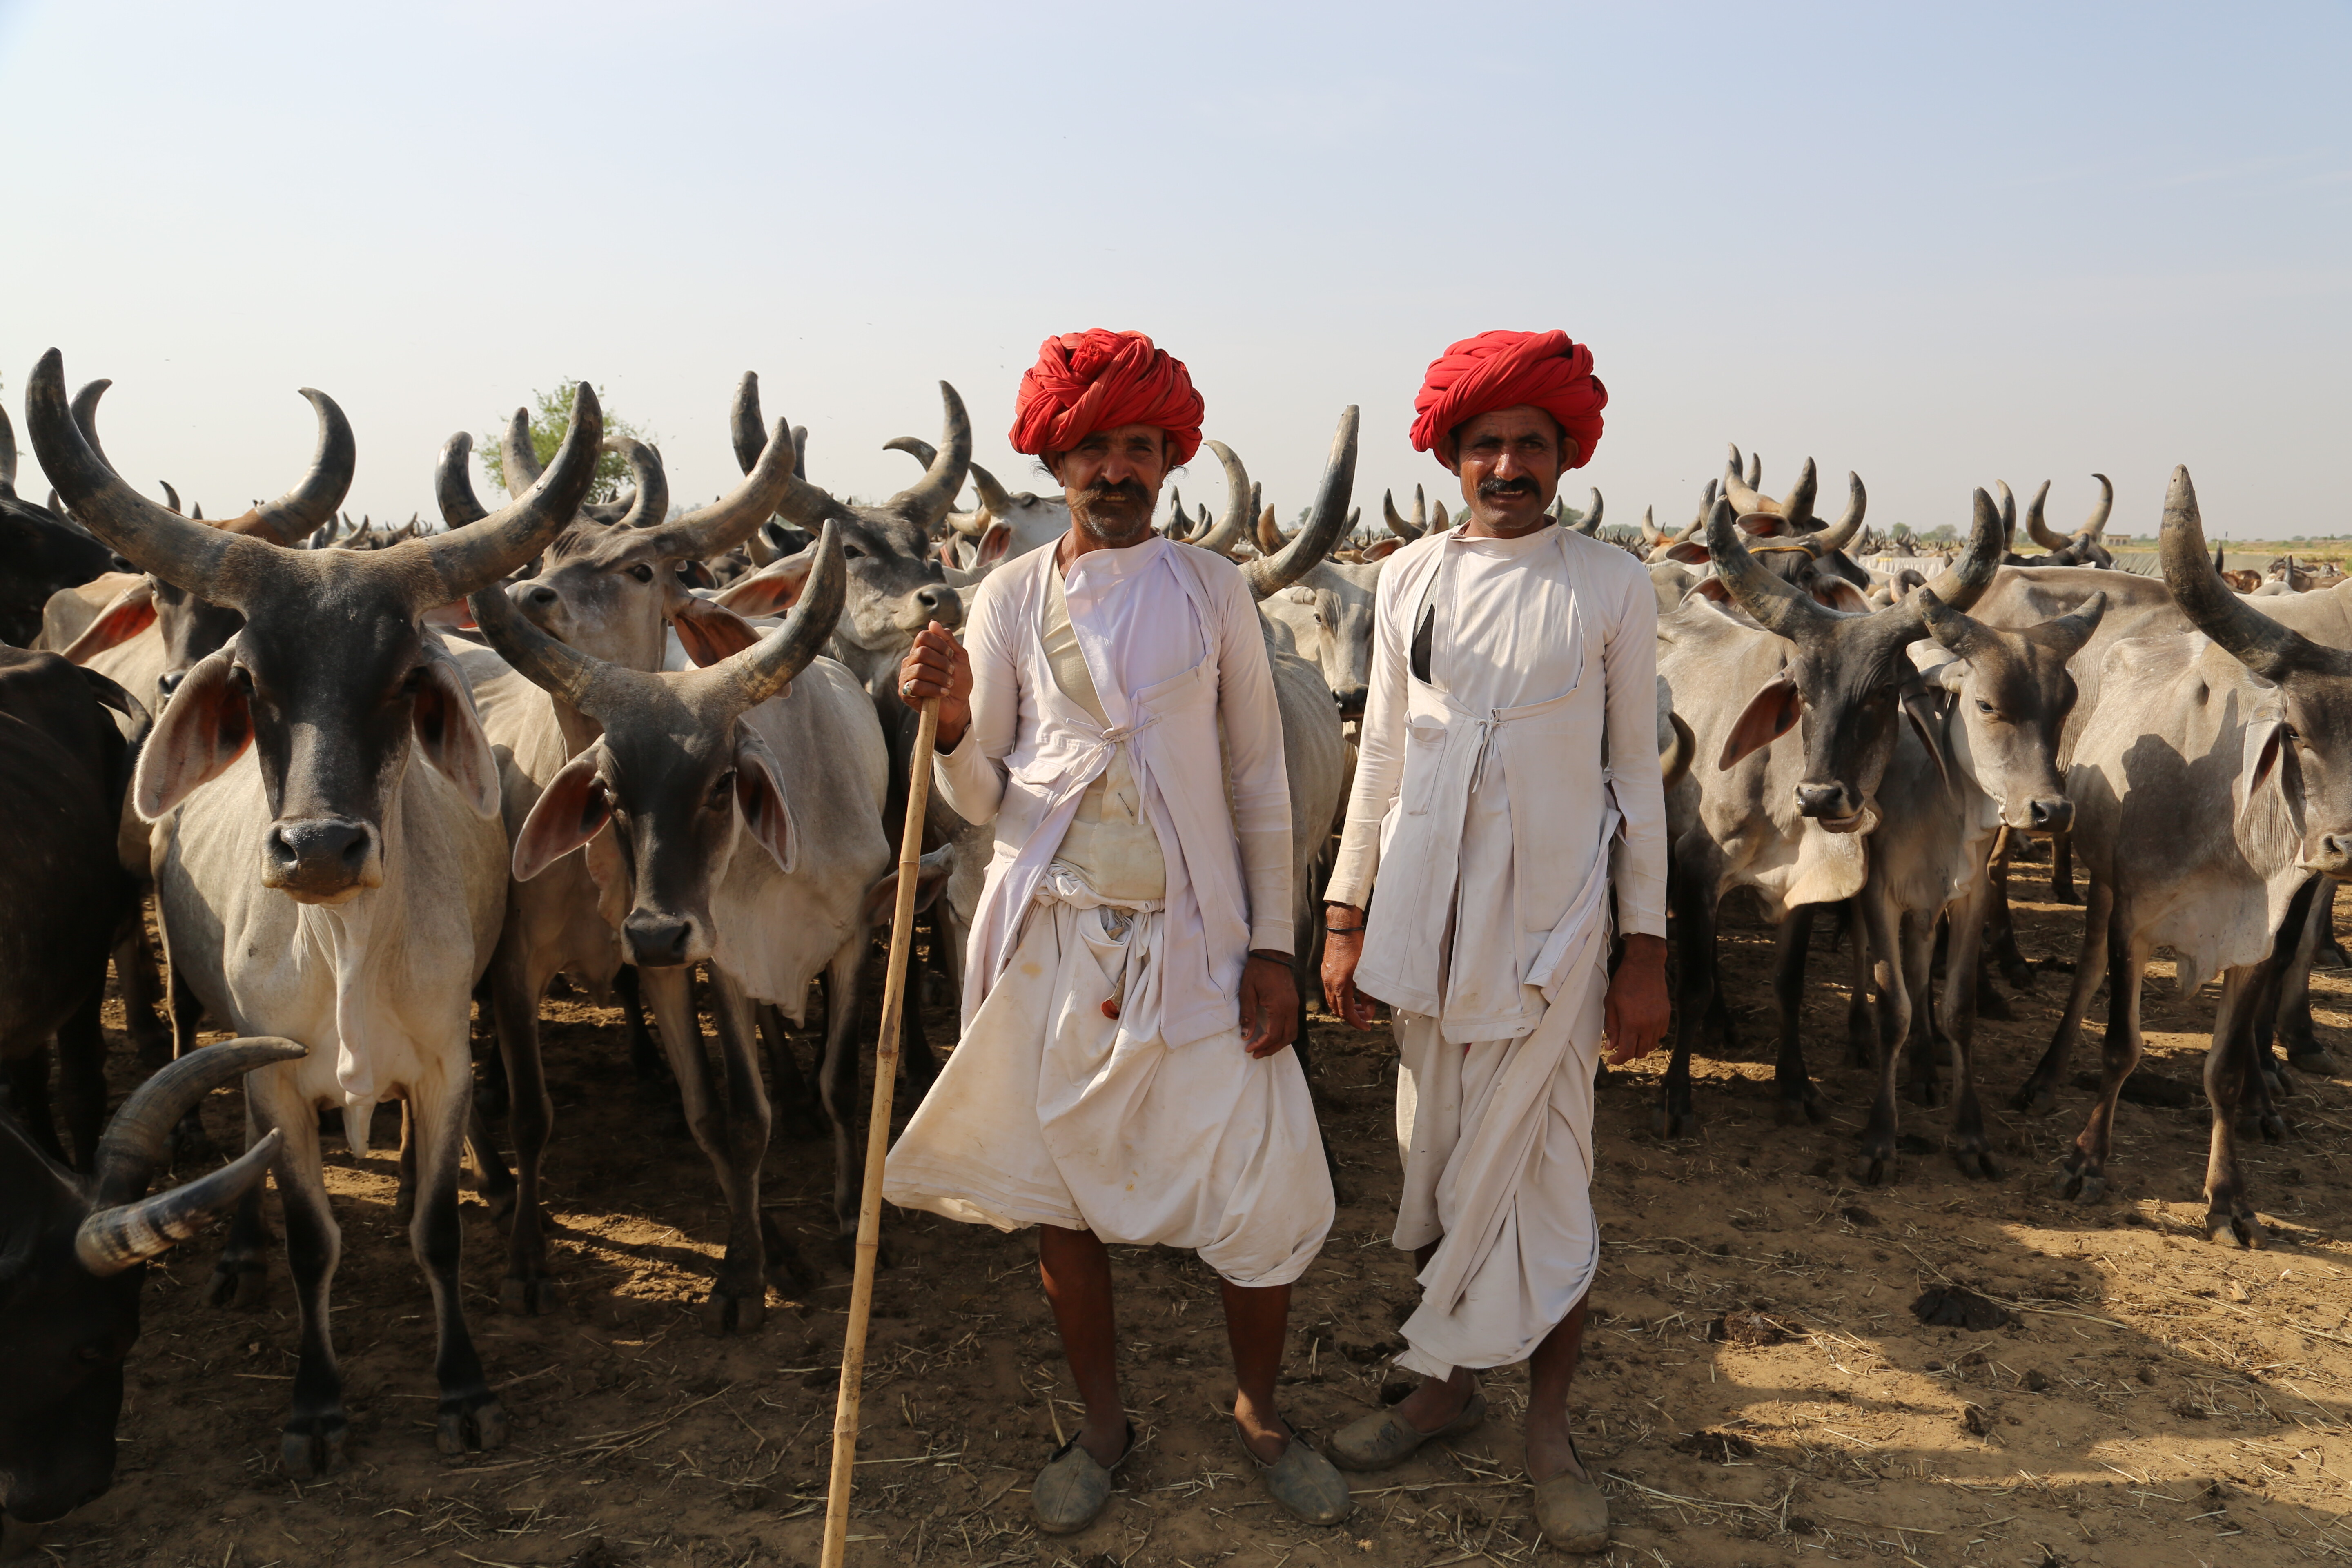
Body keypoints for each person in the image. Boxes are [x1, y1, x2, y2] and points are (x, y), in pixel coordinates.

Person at [884, 329, 1347, 1534]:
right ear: (1057, 459)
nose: (1119, 469)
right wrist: (944, 725)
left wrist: (1278, 949)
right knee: (1061, 1196)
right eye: (1095, 447)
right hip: (1056, 938)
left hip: (1200, 941)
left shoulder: (1215, 590)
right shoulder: (1009, 598)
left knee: (1263, 1188)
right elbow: (980, 796)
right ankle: (1103, 1425)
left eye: (1141, 447)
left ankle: (1258, 1412)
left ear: (1168, 460)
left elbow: (1258, 781)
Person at [1319, 329, 1670, 1551]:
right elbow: (1378, 756)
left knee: (1549, 1178)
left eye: (1531, 442)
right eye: (1487, 444)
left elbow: (1638, 776)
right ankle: (1443, 1393)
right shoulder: (1407, 578)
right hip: (1426, 921)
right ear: (1453, 457)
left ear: (1565, 455)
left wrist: (1644, 949)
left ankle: (1549, 1433)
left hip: (1555, 936)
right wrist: (1345, 914)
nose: (1508, 463)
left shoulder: (1614, 583)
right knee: (1441, 1160)